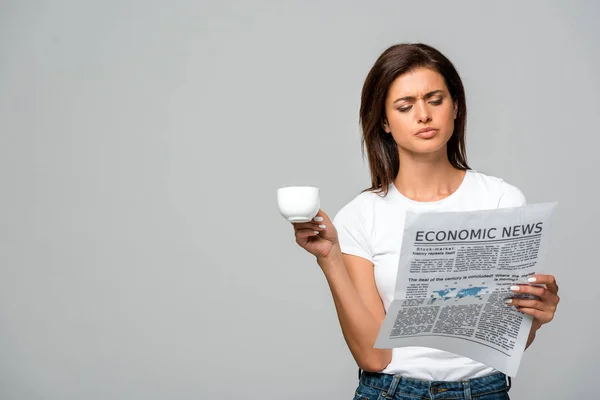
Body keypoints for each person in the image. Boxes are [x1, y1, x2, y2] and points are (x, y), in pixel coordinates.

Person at [291, 43, 560, 400]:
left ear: (455, 107)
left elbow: (504, 342)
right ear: (385, 121)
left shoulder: (502, 200)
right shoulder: (360, 215)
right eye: (405, 106)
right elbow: (372, 356)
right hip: (391, 392)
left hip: (484, 390)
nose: (423, 115)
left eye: (435, 100)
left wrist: (536, 319)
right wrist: (330, 257)